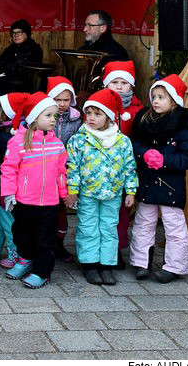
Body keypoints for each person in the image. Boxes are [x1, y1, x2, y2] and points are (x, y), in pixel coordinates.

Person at [129, 74, 188, 283]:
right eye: (154, 96)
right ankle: (141, 262)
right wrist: (144, 154)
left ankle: (175, 266)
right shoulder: (144, 119)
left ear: (175, 100)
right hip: (148, 180)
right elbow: (134, 142)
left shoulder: (184, 126)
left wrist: (165, 160)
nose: (156, 101)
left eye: (162, 97)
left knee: (174, 225)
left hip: (170, 184)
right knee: (143, 222)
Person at [65, 89, 138, 286]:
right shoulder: (78, 140)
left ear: (109, 116)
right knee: (88, 228)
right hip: (87, 193)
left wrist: (130, 191)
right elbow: (72, 167)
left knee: (108, 228)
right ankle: (90, 263)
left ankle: (107, 264)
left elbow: (129, 167)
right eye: (88, 113)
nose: (91, 118)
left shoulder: (122, 141)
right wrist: (73, 190)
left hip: (112, 194)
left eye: (97, 114)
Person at [1, 92, 68, 289]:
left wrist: (65, 194)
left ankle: (41, 271)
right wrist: (9, 193)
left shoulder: (57, 144)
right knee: (22, 233)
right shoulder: (18, 143)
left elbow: (62, 172)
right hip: (24, 200)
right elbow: (9, 169)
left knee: (45, 238)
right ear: (33, 118)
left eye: (54, 116)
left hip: (49, 203)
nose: (53, 120)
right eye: (48, 115)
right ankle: (25, 259)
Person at [103, 60, 145, 267]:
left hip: (125, 168)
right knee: (102, 210)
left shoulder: (138, 110)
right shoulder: (98, 106)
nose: (119, 87)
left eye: (124, 83)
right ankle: (99, 248)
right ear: (106, 85)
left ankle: (117, 249)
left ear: (131, 86)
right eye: (114, 82)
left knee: (121, 211)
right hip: (101, 168)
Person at [0, 92, 28, 269]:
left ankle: (16, 253)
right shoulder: (6, 132)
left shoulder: (7, 137)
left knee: (9, 220)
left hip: (4, 187)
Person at [47, 76, 82, 264]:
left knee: (61, 209)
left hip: (65, 170)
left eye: (66, 100)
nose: (62, 104)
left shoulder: (77, 120)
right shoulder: (44, 115)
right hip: (46, 169)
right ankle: (45, 243)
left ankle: (59, 244)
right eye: (57, 99)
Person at [0, 19, 44, 94]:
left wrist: (5, 71)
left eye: (19, 32)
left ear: (27, 33)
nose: (16, 35)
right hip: (7, 80)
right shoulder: (11, 48)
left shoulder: (34, 49)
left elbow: (22, 71)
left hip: (23, 85)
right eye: (13, 33)